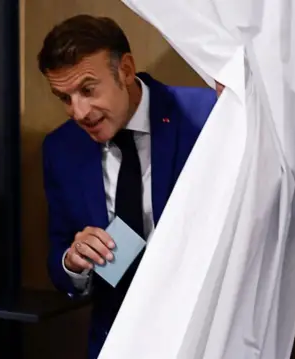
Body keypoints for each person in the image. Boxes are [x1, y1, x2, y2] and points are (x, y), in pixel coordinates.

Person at [39, 14, 217, 359]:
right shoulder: (61, 149)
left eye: (88, 90)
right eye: (64, 97)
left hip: (205, 336)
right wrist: (73, 261)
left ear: (126, 70)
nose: (78, 111)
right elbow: (60, 251)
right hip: (117, 340)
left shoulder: (207, 117)